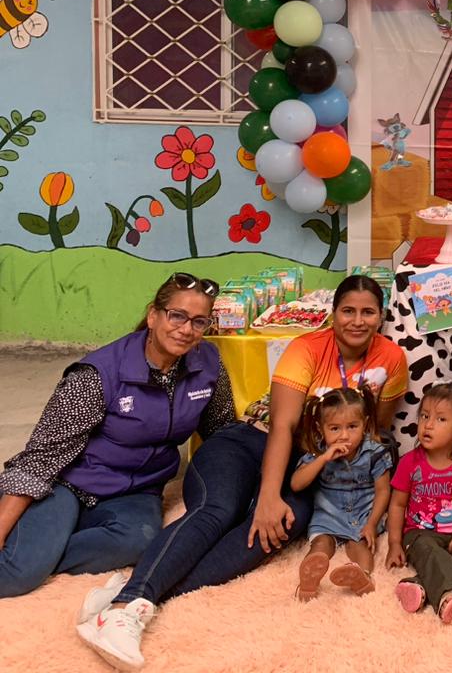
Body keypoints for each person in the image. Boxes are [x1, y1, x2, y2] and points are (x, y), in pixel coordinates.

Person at [77, 274, 407, 671]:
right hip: (250, 441)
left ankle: (135, 592)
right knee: (220, 509)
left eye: (368, 312)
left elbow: (376, 428)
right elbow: (283, 426)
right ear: (332, 314)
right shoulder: (306, 348)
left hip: (303, 465)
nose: (357, 321)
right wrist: (268, 495)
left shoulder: (391, 357)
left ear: (381, 316)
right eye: (347, 311)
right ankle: (126, 607)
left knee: (277, 527)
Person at [0, 273, 234, 599]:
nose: (186, 329)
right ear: (153, 315)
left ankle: (41, 551)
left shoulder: (208, 364)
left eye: (198, 321)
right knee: (16, 576)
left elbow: (221, 430)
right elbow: (40, 459)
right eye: (177, 316)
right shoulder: (97, 374)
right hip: (70, 484)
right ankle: (30, 554)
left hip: (137, 490)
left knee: (142, 541)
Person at [386, 383, 452, 623]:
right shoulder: (410, 462)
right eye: (424, 416)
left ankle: (419, 585)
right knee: (429, 551)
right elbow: (397, 505)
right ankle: (446, 596)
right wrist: (394, 543)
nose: (428, 425)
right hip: (419, 535)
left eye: (441, 419)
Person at [291, 385, 392, 601]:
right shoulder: (318, 452)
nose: (344, 436)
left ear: (365, 424)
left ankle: (361, 575)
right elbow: (296, 484)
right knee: (321, 543)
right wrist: (323, 459)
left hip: (364, 514)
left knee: (361, 545)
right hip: (328, 515)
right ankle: (309, 576)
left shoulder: (374, 453)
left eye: (352, 426)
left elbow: (383, 490)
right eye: (335, 428)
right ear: (321, 429)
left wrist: (372, 524)